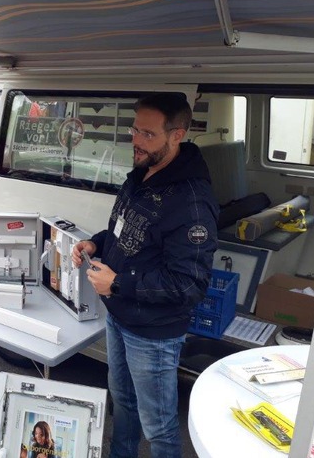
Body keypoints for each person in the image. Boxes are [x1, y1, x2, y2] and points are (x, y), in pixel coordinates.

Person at [72, 93, 218, 458]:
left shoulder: (192, 203)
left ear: (177, 135)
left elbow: (189, 284)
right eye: (135, 130)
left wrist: (118, 283)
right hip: (120, 316)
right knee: (122, 402)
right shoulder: (141, 174)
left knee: (159, 426)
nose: (136, 141)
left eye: (148, 134)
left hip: (153, 332)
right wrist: (95, 244)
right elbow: (125, 236)